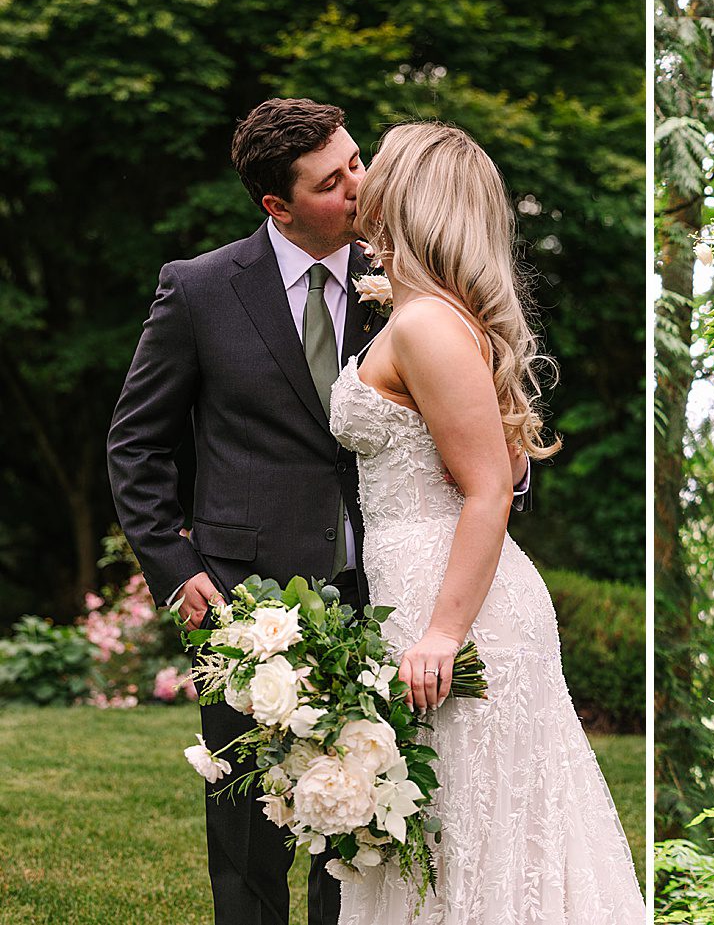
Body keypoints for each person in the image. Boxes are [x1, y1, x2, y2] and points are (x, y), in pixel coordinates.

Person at [106, 98, 530, 925]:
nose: (359, 186)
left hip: (385, 592)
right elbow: (136, 443)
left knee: (365, 827)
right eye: (332, 182)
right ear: (279, 204)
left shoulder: (407, 274)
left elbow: (475, 420)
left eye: (357, 161)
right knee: (249, 830)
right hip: (245, 602)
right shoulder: (198, 289)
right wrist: (176, 566)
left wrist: (496, 487)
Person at [329, 121, 644, 923]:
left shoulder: (427, 325)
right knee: (449, 828)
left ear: (411, 193)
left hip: (458, 604)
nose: (362, 178)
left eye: (377, 164)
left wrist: (443, 631)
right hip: (425, 585)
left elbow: (490, 487)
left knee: (473, 832)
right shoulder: (423, 312)